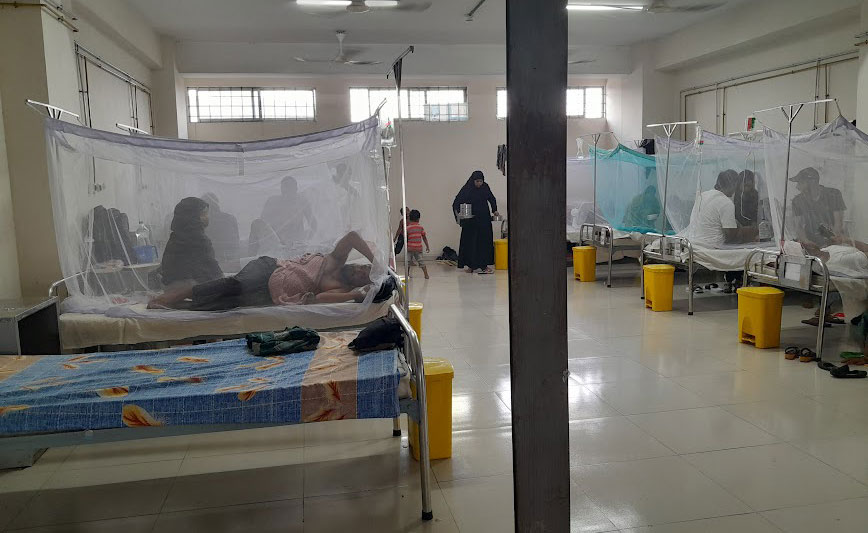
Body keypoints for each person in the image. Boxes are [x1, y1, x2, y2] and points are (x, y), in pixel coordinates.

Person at [148, 231, 376, 310]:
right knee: (234, 284)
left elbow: (320, 297)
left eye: (362, 277)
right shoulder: (336, 259)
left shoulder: (342, 287)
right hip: (270, 268)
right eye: (362, 268)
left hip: (272, 295)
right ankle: (170, 296)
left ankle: (178, 306)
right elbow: (353, 237)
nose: (358, 272)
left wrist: (356, 294)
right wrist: (376, 262)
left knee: (223, 305)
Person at [685, 169, 757, 248]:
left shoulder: (702, 196)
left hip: (694, 244)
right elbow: (731, 236)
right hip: (713, 246)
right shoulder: (726, 203)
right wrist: (749, 231)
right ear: (733, 185)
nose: (735, 191)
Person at [160, 197, 223, 286]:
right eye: (203, 214)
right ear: (192, 217)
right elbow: (214, 271)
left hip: (171, 288)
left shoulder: (175, 237)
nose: (207, 217)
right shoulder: (199, 240)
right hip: (188, 290)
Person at [253, 175, 317, 253]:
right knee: (256, 225)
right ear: (281, 189)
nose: (287, 192)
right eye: (285, 189)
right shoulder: (272, 202)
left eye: (290, 188)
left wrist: (307, 238)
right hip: (276, 242)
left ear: (296, 189)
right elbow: (262, 223)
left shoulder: (302, 202)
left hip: (296, 244)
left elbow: (313, 224)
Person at [452, 170, 499, 274]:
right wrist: (459, 215)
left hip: (483, 220)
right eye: (477, 181)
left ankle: (484, 266)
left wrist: (494, 210)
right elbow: (456, 202)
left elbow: (491, 198)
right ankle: (471, 266)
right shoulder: (467, 188)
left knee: (484, 243)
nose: (479, 183)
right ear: (473, 180)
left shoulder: (485, 187)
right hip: (470, 222)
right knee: (470, 243)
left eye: (480, 181)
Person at [790, 167, 846, 247]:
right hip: (811, 243)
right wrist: (806, 241)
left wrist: (833, 241)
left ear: (812, 183)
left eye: (801, 183)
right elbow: (798, 225)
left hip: (834, 241)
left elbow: (838, 223)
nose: (797, 187)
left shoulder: (833, 194)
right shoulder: (797, 201)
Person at [201, 193, 241, 273]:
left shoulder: (203, 222)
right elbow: (237, 241)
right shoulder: (231, 218)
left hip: (214, 263)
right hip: (232, 260)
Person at [406, 209, 430, 279]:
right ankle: (426, 275)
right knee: (421, 261)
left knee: (407, 262)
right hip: (418, 248)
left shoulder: (408, 228)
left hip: (410, 248)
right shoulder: (420, 227)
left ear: (409, 219)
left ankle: (407, 275)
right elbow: (424, 237)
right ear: (418, 219)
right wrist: (427, 246)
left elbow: (406, 238)